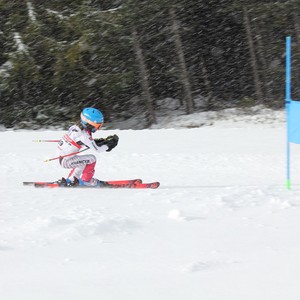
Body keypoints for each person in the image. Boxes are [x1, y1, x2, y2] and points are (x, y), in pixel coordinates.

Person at [57, 107, 119, 186]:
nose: (98, 128)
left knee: (84, 161)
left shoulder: (75, 127)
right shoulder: (84, 135)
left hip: (64, 158)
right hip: (66, 161)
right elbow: (97, 149)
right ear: (89, 123)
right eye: (97, 125)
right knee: (92, 159)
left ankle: (72, 179)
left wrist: (103, 141)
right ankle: (86, 181)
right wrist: (109, 145)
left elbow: (89, 142)